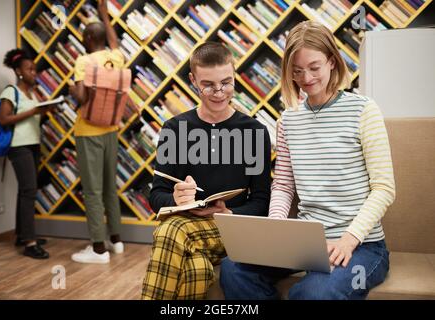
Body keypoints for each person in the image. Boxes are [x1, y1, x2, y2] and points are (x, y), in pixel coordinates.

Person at [220, 20, 396, 300]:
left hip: (362, 245)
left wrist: (349, 239)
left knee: (314, 292)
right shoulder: (288, 120)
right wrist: (275, 228)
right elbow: (284, 186)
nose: (307, 78)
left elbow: (384, 188)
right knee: (233, 269)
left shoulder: (363, 110)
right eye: (297, 71)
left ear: (332, 62)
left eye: (314, 67)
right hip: (304, 244)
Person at [141, 42, 272, 300]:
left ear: (235, 75)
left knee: (171, 230)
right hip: (186, 223)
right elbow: (156, 196)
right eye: (208, 85)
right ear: (193, 80)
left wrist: (229, 212)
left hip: (230, 230)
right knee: (197, 270)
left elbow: (262, 201)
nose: (219, 92)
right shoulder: (174, 129)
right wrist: (176, 199)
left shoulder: (254, 132)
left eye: (227, 82)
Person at [69, 0, 124, 264]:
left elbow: (80, 97)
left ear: (89, 38)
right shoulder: (116, 57)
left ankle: (98, 249)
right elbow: (114, 41)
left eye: (83, 35)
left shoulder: (84, 60)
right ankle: (116, 240)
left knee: (92, 191)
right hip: (111, 129)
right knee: (109, 189)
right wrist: (104, 14)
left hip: (88, 131)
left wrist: (71, 89)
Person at [0, 48, 52, 259]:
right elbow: (4, 119)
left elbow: (32, 118)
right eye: (29, 69)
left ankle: (22, 235)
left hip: (33, 145)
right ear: (19, 72)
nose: (34, 73)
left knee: (26, 190)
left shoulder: (32, 93)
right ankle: (30, 244)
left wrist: (45, 112)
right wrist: (33, 112)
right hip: (18, 147)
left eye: (35, 69)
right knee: (29, 191)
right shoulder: (10, 91)